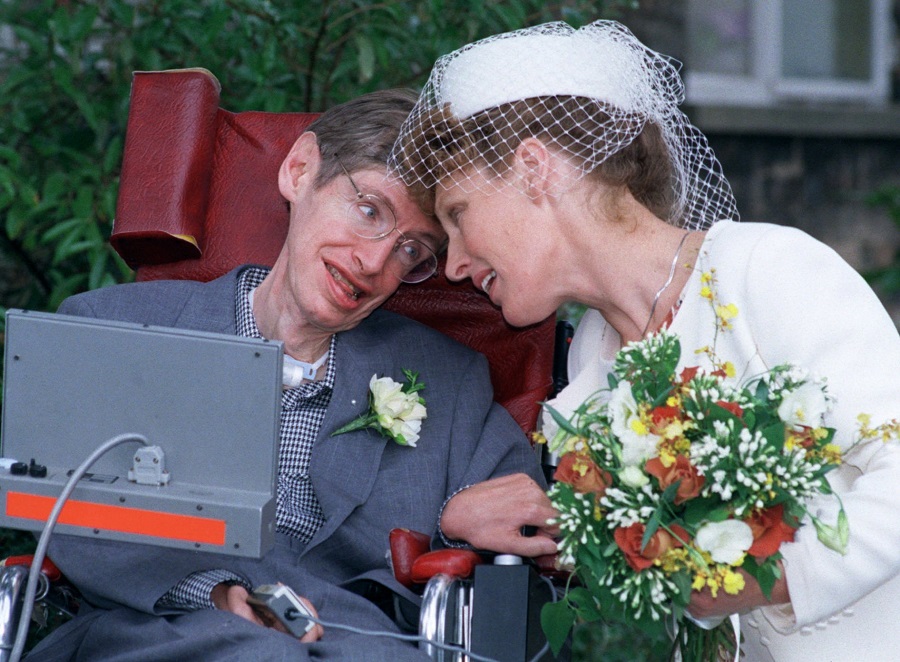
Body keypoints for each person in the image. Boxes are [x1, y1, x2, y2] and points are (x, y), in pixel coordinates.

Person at [389, 19, 900, 662]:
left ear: (533, 169)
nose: (455, 263)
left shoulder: (768, 269)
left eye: (458, 215)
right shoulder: (590, 358)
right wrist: (546, 526)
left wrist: (749, 582)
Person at [27, 88, 557, 662]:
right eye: (370, 211)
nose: (376, 263)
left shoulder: (450, 383)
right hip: (157, 633)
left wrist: (453, 516)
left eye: (411, 250)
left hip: (361, 645)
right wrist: (214, 592)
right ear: (300, 170)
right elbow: (68, 516)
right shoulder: (115, 328)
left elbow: (532, 523)